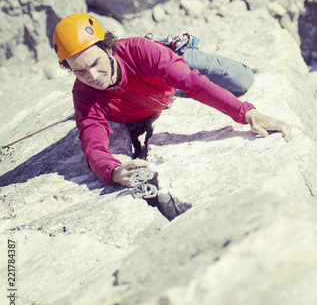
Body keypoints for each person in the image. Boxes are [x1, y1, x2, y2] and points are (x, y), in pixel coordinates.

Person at [53, 12, 292, 187]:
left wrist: (247, 113)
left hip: (169, 73)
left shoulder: (139, 51)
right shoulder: (84, 95)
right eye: (79, 71)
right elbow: (93, 147)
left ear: (108, 48)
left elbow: (193, 84)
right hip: (157, 98)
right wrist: (113, 171)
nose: (92, 76)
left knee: (242, 80)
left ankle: (179, 51)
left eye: (95, 63)